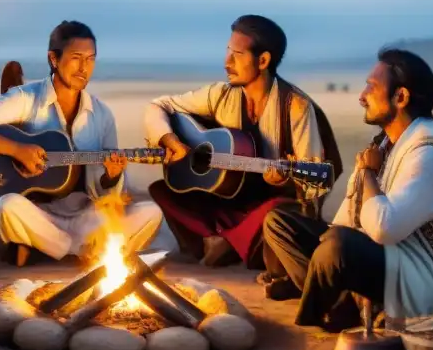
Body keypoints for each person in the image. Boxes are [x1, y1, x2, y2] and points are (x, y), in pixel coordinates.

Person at [261, 48, 433, 332]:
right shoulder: (386, 144)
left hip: (429, 279)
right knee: (280, 222)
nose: (362, 97)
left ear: (400, 97)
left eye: (371, 88)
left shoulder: (428, 152)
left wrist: (367, 173)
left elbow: (383, 229)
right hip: (389, 256)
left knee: (337, 247)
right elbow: (347, 220)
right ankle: (340, 303)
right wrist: (327, 237)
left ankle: (326, 308)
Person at [0, 21, 163, 266]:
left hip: (87, 217)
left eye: (91, 59)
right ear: (53, 58)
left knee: (151, 213)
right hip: (39, 215)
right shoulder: (26, 98)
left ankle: (49, 248)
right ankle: (81, 251)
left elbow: (108, 197)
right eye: (76, 58)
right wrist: (17, 150)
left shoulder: (102, 114)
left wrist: (111, 178)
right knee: (6, 206)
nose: (84, 68)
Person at [143, 14, 338, 270]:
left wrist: (287, 179)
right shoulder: (221, 95)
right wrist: (170, 140)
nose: (227, 62)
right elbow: (160, 105)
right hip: (231, 201)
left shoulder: (296, 107)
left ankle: (223, 243)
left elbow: (313, 188)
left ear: (263, 60)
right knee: (164, 190)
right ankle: (228, 243)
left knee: (278, 212)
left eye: (237, 54)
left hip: (267, 207)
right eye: (227, 52)